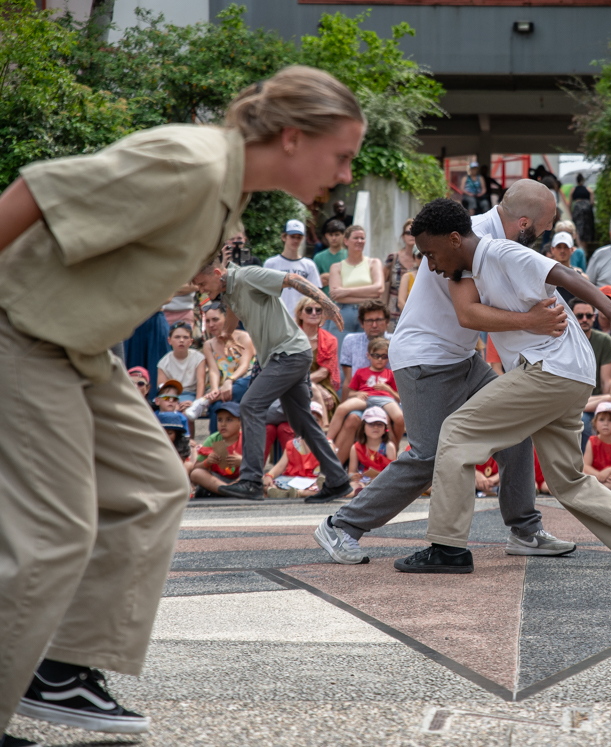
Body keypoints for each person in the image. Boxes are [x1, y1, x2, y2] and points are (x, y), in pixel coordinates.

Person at [0, 64, 365, 746]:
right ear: (292, 137)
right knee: (55, 527)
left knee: (153, 483)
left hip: (78, 344)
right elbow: (36, 192)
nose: (344, 174)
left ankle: (58, 664)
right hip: (20, 327)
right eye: (341, 155)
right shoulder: (190, 164)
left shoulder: (224, 193)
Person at [394, 197, 611, 573]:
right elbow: (467, 312)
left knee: (456, 432)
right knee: (567, 479)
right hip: (569, 376)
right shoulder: (471, 267)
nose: (430, 265)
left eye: (430, 254)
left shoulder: (501, 251)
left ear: (454, 239)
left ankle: (447, 548)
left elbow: (566, 275)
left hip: (550, 371)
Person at [315, 179, 577, 565]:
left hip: (461, 358)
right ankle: (342, 526)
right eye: (545, 227)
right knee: (430, 455)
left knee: (515, 428)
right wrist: (531, 321)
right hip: (425, 360)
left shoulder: (487, 238)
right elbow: (468, 312)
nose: (545, 234)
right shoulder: (465, 240)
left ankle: (525, 530)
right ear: (524, 222)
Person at [192, 252, 352, 503]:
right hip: (288, 356)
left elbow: (291, 279)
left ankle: (251, 480)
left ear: (216, 274)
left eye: (202, 284)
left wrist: (327, 303)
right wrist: (226, 333)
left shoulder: (248, 276)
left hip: (288, 354)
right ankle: (338, 480)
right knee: (302, 422)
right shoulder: (229, 288)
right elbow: (235, 309)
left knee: (251, 405)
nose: (201, 290)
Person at [329, 337, 405, 454]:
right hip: (366, 398)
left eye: (384, 356)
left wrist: (388, 389)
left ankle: (394, 446)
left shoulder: (390, 374)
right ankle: (328, 439)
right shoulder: (360, 372)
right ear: (368, 355)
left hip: (385, 399)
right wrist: (358, 393)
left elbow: (399, 398)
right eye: (376, 355)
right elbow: (351, 393)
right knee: (341, 408)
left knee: (400, 417)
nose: (380, 359)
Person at [201, 301, 256, 434]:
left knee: (247, 383)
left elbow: (244, 366)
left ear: (227, 319)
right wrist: (214, 389)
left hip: (244, 386)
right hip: (224, 392)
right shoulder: (208, 344)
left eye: (215, 320)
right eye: (207, 321)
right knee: (218, 408)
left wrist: (229, 380)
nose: (211, 325)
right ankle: (216, 450)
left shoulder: (244, 337)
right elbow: (214, 370)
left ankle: (204, 402)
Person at [323, 224, 384, 346]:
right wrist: (370, 295)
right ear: (346, 241)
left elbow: (379, 289)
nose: (360, 241)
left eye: (362, 238)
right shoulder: (336, 267)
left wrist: (346, 291)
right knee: (339, 357)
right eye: (356, 238)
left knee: (369, 356)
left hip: (369, 315)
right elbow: (336, 296)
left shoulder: (374, 263)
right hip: (343, 314)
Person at [572, 300, 611, 448]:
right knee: (582, 421)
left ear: (594, 317)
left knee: (606, 400)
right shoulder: (561, 340)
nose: (584, 319)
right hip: (568, 398)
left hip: (593, 401)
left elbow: (607, 382)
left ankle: (587, 466)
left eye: (588, 315)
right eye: (579, 316)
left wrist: (604, 409)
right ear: (571, 317)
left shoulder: (604, 340)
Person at [263, 402, 335, 499]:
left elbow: (331, 467)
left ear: (322, 424)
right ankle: (282, 492)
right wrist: (269, 475)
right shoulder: (292, 444)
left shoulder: (327, 444)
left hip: (314, 480)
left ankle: (299, 493)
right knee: (267, 484)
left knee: (323, 486)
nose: (311, 424)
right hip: (292, 479)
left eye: (316, 420)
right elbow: (280, 465)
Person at [264, 220, 322, 316]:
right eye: (292, 237)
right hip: (275, 315)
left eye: (299, 237)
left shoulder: (309, 265)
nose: (295, 240)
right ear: (284, 237)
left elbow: (315, 294)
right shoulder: (271, 263)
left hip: (300, 317)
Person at [293, 296, 341, 411]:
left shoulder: (330, 340)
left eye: (318, 310)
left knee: (326, 400)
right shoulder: (290, 338)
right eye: (309, 310)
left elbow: (323, 373)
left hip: (321, 384)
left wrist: (314, 386)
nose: (314, 313)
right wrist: (314, 387)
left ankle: (324, 428)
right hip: (291, 384)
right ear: (300, 314)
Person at [189, 401, 244, 498]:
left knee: (256, 477)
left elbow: (255, 466)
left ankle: (227, 491)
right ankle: (228, 491)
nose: (223, 424)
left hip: (240, 479)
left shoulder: (246, 439)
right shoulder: (213, 439)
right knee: (195, 474)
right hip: (217, 481)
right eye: (219, 420)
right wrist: (207, 462)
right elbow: (196, 467)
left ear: (240, 423)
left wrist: (242, 461)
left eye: (229, 420)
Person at [339, 299, 389, 397]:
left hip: (388, 399)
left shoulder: (396, 342)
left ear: (387, 322)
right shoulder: (351, 341)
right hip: (359, 397)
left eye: (378, 320)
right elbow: (348, 381)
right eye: (369, 321)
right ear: (362, 323)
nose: (374, 325)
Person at [348, 406, 396, 495]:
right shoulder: (355, 447)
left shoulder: (389, 446)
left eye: (379, 424)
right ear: (363, 428)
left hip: (382, 481)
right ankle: (362, 491)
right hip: (363, 481)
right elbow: (351, 471)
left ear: (385, 429)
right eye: (371, 424)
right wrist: (353, 476)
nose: (375, 427)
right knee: (352, 485)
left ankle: (363, 493)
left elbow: (392, 472)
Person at [157, 321, 205, 408]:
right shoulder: (163, 363)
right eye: (177, 337)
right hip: (172, 396)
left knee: (187, 412)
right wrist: (173, 403)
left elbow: (200, 383)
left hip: (192, 395)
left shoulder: (199, 358)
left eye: (185, 337)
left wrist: (196, 404)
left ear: (191, 341)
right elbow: (162, 389)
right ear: (169, 340)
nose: (181, 340)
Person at [383, 219, 418, 329]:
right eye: (408, 233)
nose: (411, 235)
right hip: (394, 311)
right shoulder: (393, 258)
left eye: (415, 232)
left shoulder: (424, 259)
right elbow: (383, 282)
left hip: (415, 311)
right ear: (403, 236)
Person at [550, 232, 585, 306]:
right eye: (559, 247)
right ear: (552, 249)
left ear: (572, 250)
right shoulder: (545, 276)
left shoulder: (580, 277)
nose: (562, 250)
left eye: (566, 247)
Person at [314, 219, 347, 288]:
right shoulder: (318, 258)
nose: (333, 238)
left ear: (343, 235)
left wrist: (328, 277)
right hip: (323, 297)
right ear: (326, 236)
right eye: (331, 235)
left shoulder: (350, 255)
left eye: (337, 235)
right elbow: (313, 282)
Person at [570, 173, 595, 250]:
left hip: (577, 208)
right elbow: (592, 202)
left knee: (577, 227)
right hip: (587, 209)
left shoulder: (573, 189)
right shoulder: (588, 189)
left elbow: (569, 203)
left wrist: (571, 212)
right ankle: (585, 248)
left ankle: (580, 246)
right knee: (586, 228)